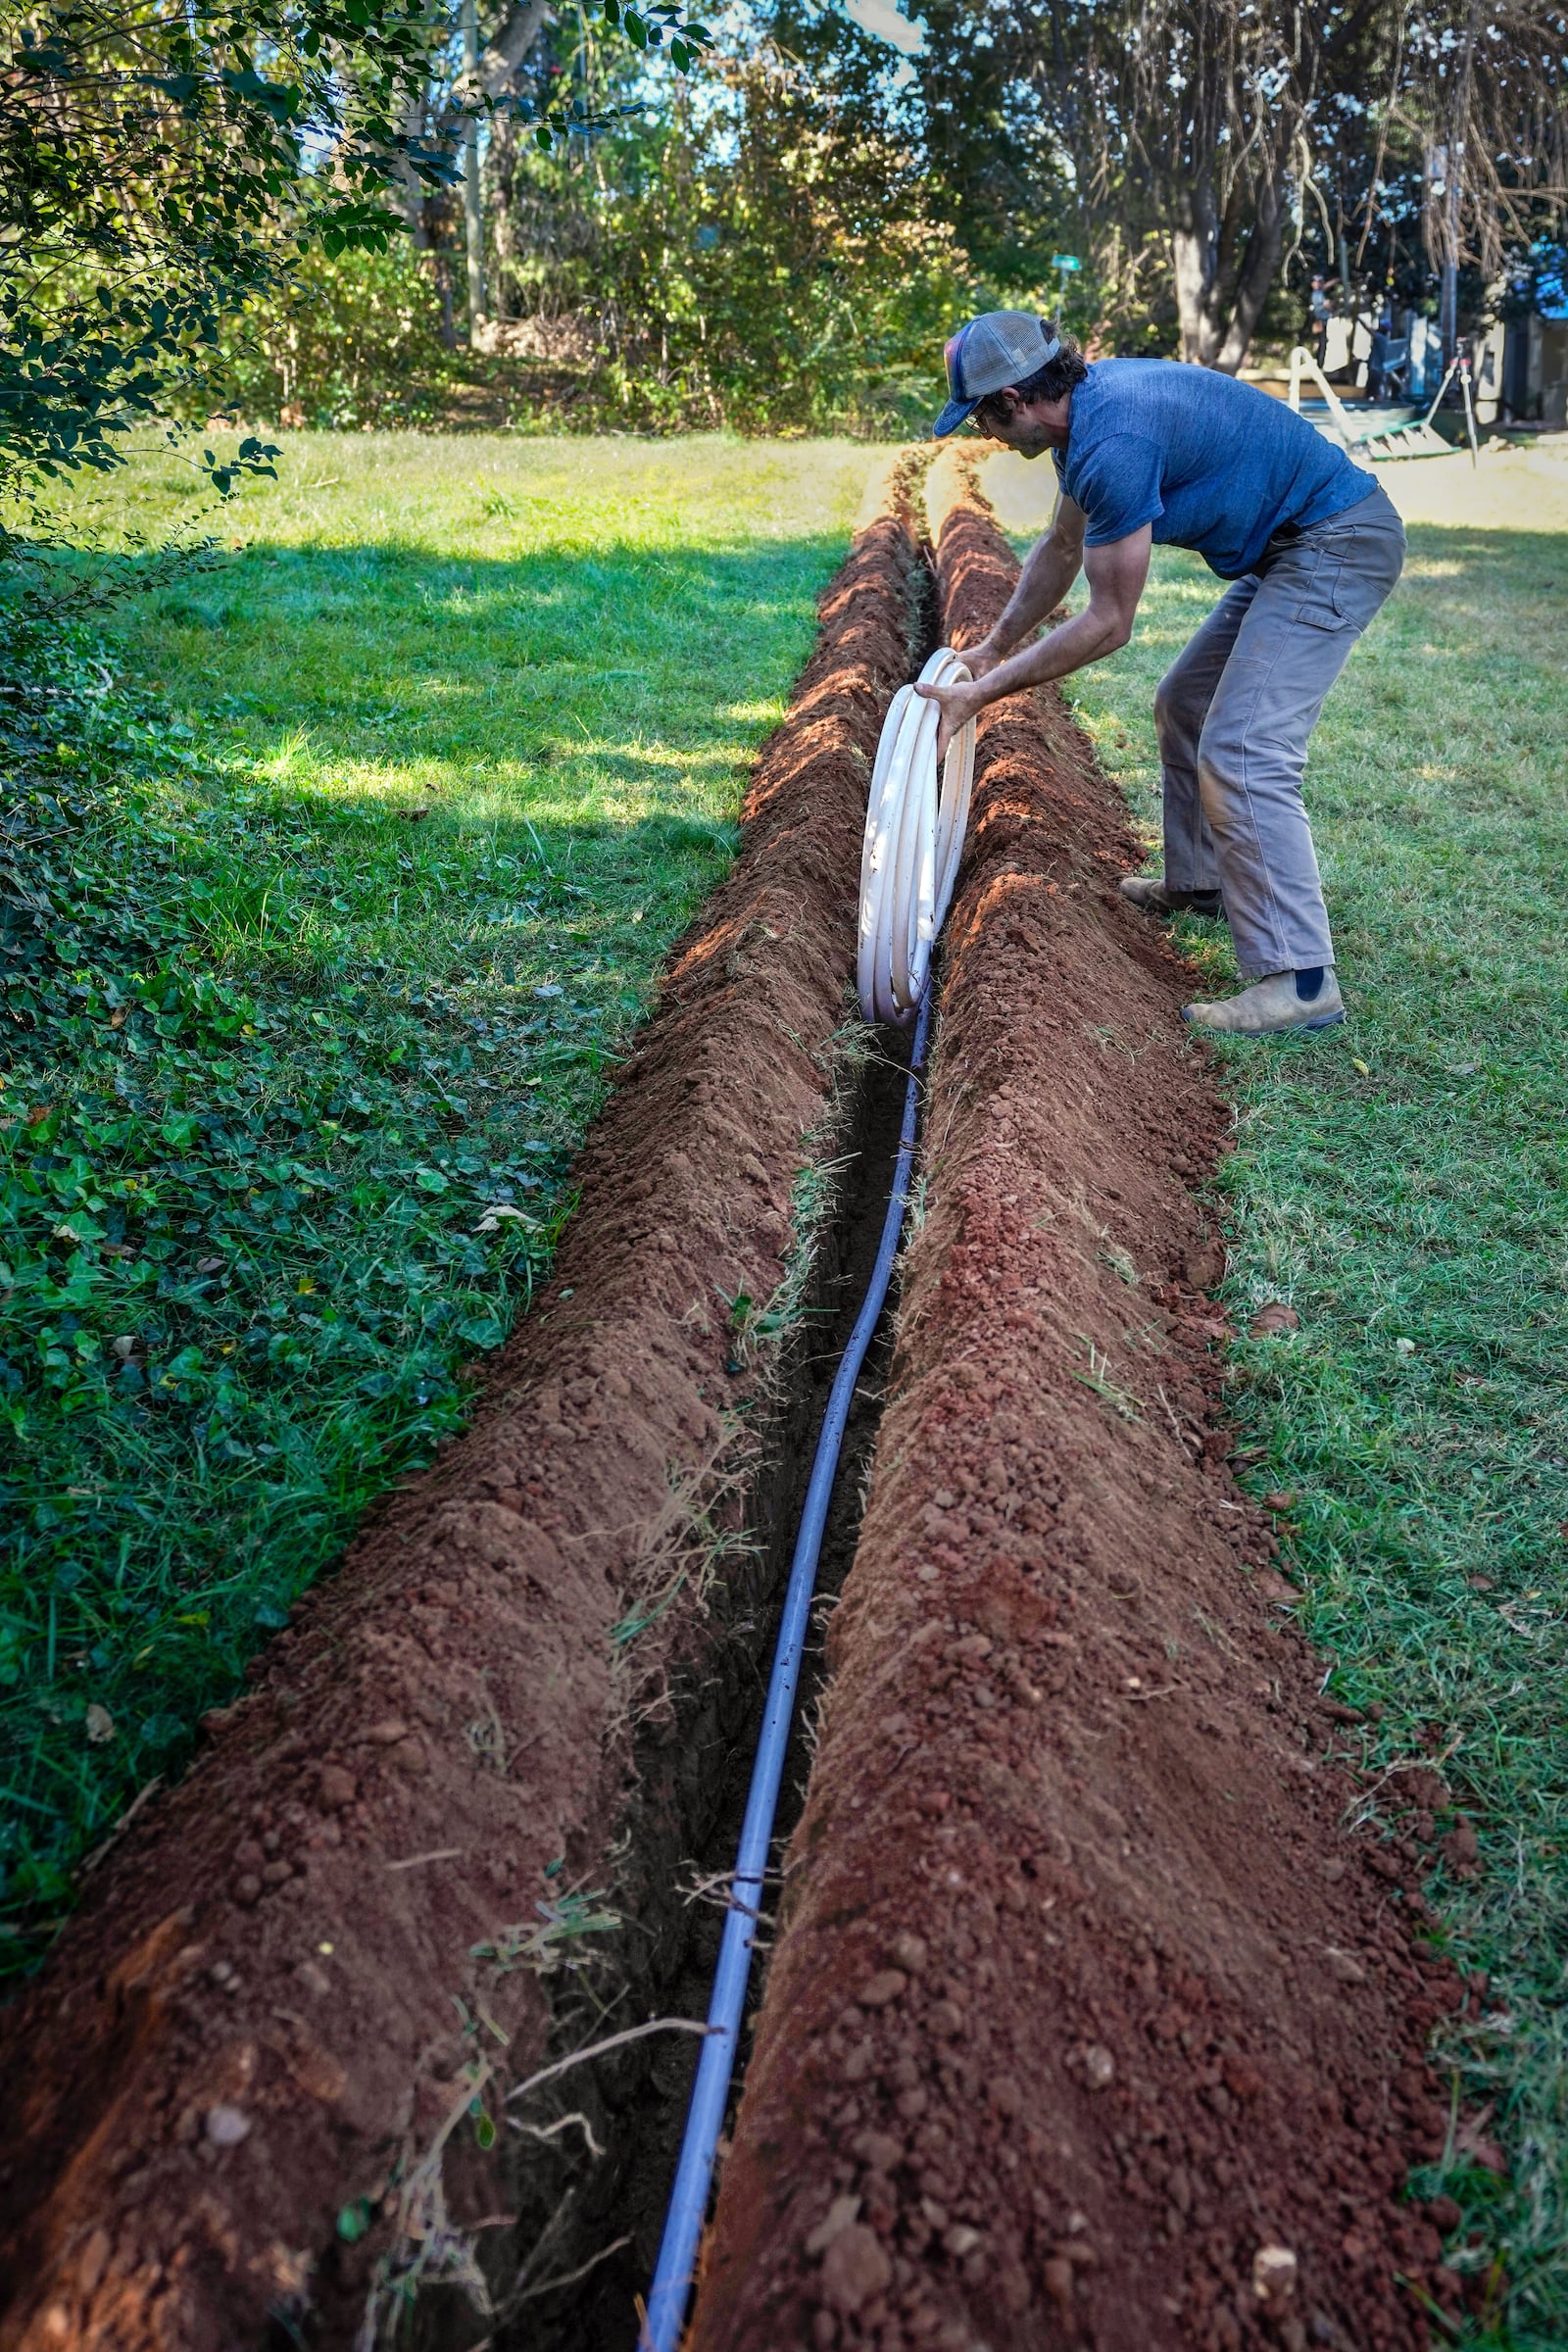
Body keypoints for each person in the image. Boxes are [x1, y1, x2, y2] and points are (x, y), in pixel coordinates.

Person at [917, 311, 1406, 1036]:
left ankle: (1303, 983)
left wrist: (984, 693)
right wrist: (991, 647)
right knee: (1185, 702)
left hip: (1334, 542)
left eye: (981, 418)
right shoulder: (1086, 419)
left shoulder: (1111, 442)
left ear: (1014, 401)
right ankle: (1202, 884)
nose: (982, 435)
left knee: (1244, 749)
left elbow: (1110, 623)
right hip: (1290, 546)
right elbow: (1060, 545)